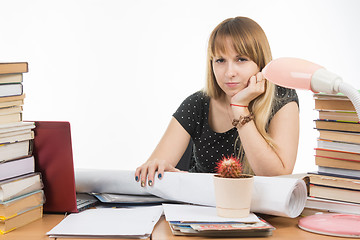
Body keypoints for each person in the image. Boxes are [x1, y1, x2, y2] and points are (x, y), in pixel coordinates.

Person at [135, 16, 299, 187]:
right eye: (220, 60)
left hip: (257, 209)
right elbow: (150, 173)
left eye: (241, 59)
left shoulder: (281, 97)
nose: (229, 72)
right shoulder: (197, 104)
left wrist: (240, 108)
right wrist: (159, 171)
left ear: (260, 62)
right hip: (201, 206)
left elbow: (275, 177)